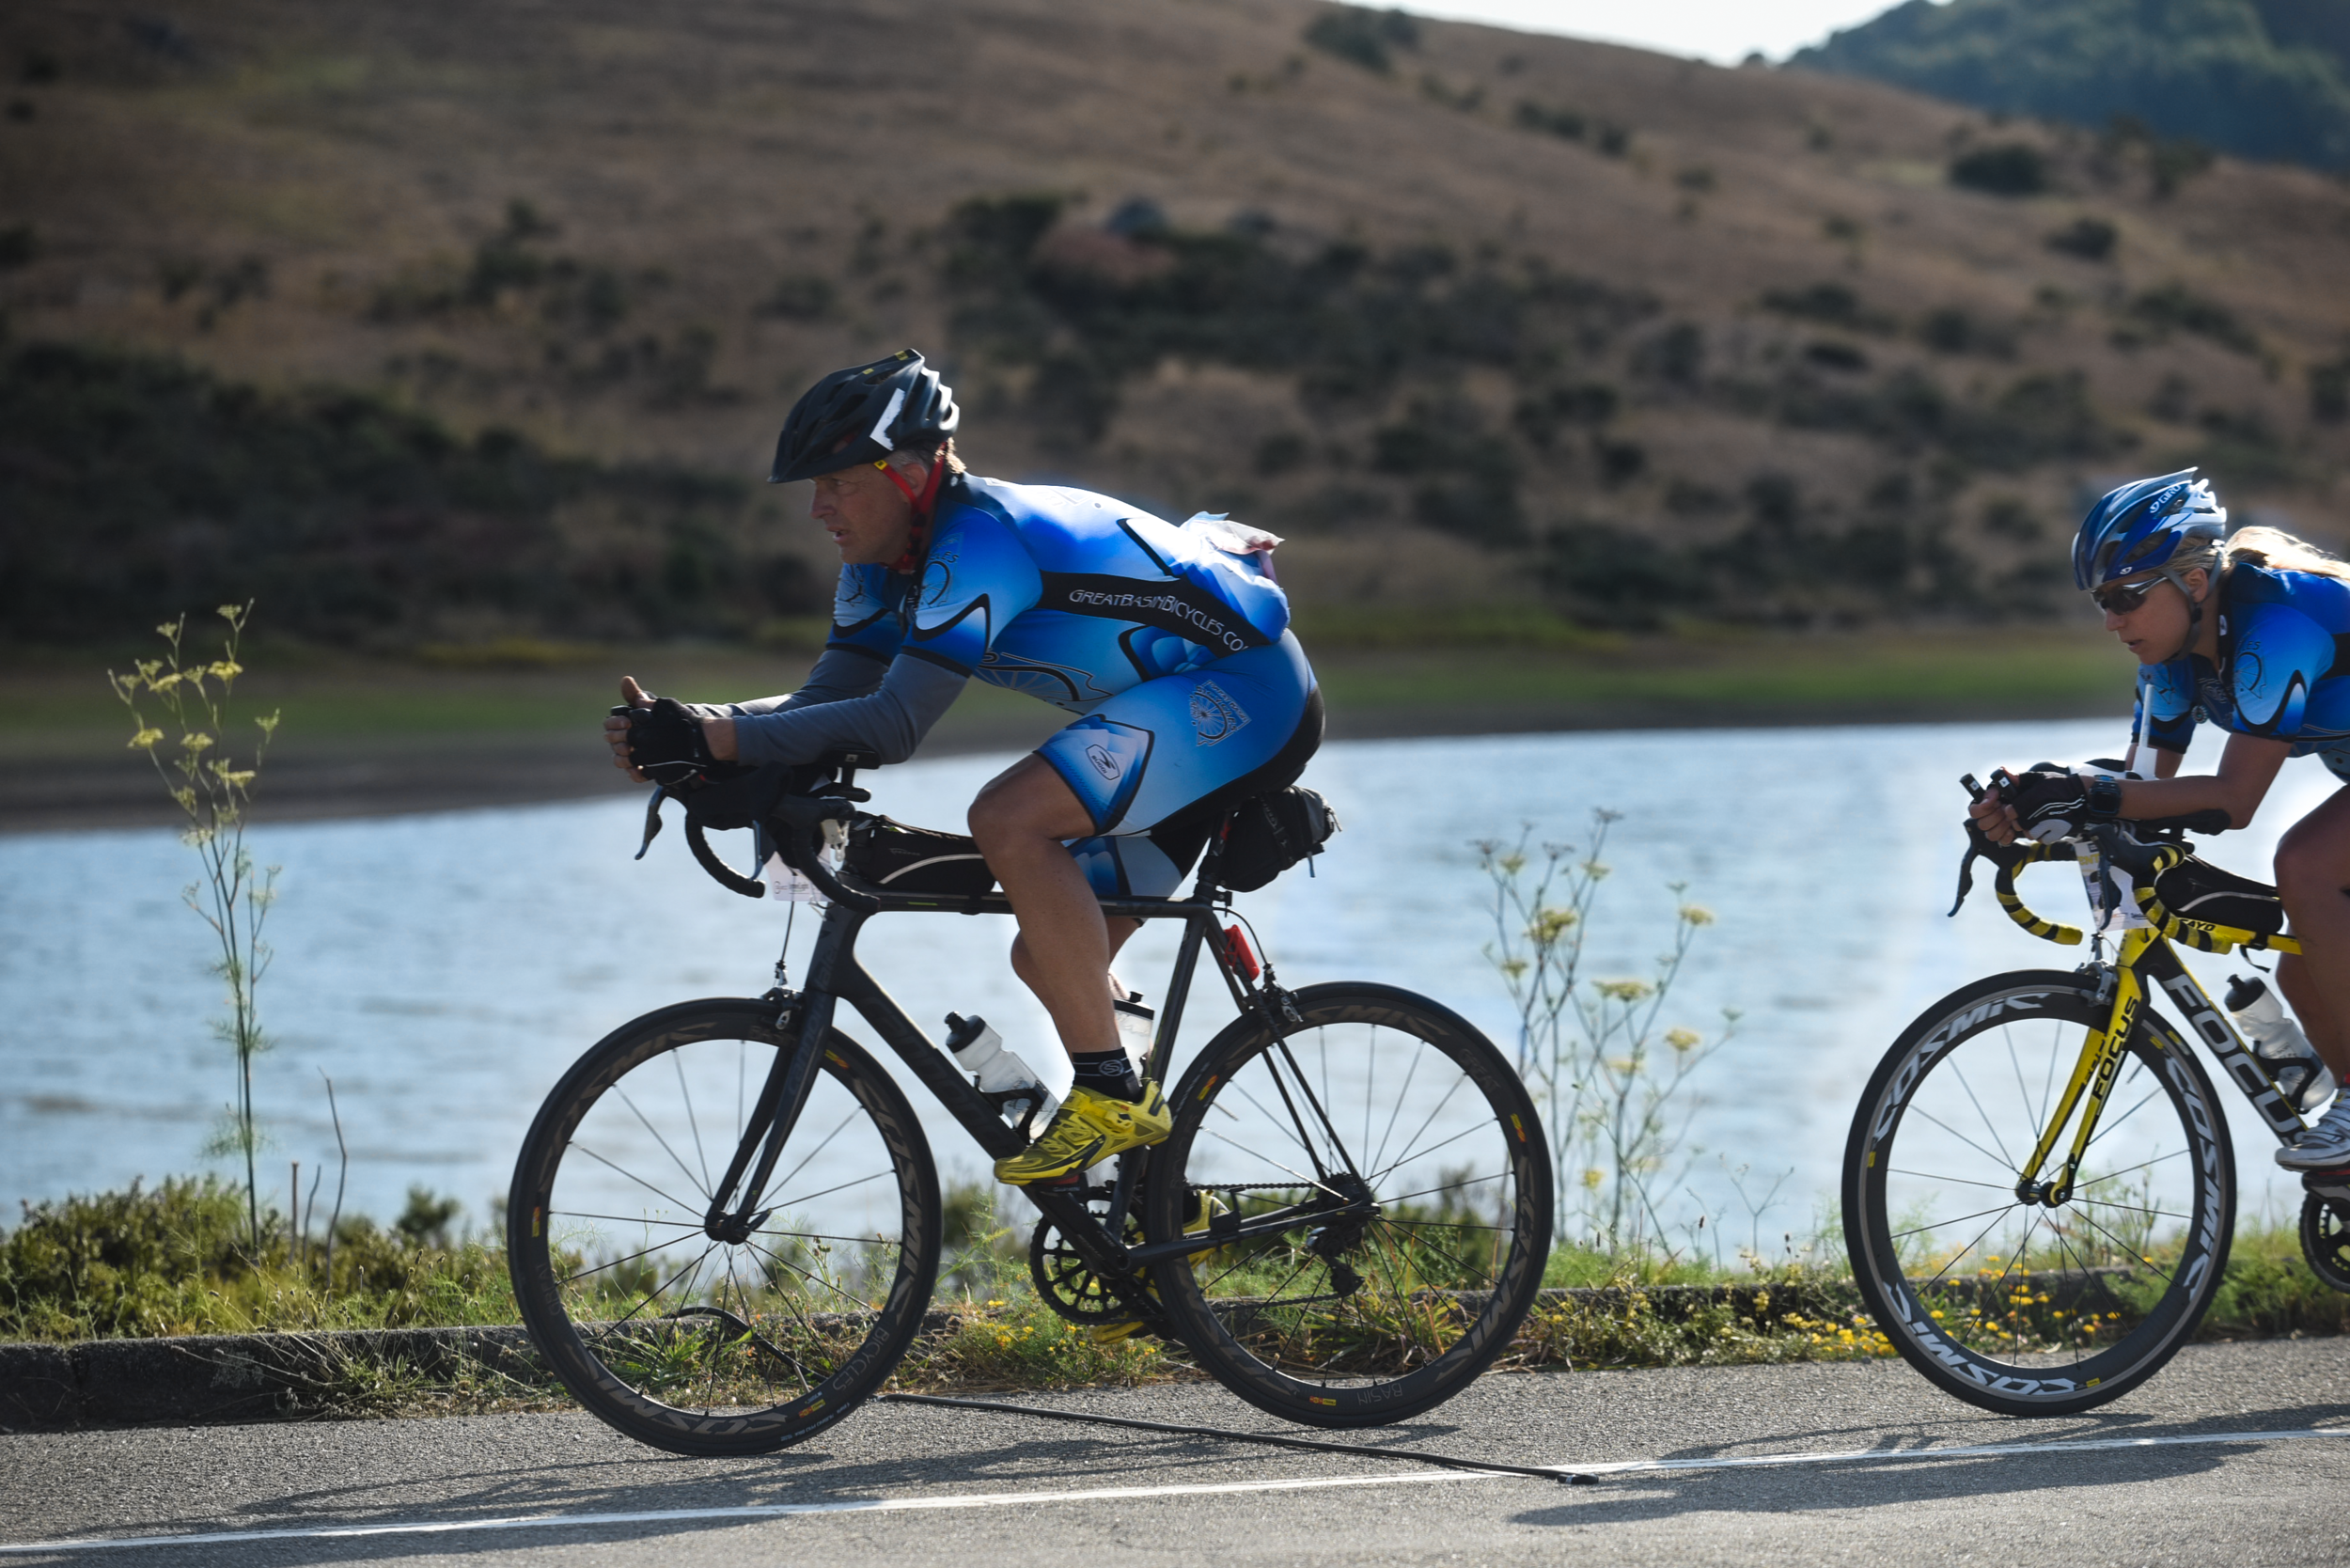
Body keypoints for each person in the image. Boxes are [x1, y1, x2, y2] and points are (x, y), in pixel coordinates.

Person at [603, 350, 1322, 1187]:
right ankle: (1157, 1200)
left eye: (837, 482)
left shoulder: (977, 542)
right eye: (812, 487)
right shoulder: (879, 569)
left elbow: (895, 722)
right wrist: (698, 727)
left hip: (1246, 694)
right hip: (1186, 714)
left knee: (1010, 818)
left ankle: (1111, 1097)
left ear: (911, 474)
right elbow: (831, 696)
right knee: (1048, 955)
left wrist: (728, 743)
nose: (817, 508)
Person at [1969, 468, 2350, 1169]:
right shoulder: (2170, 662)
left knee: (2305, 864)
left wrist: (2084, 794)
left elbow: (2234, 801)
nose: (2112, 622)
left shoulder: (2275, 627)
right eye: (2100, 603)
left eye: (2124, 598)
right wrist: (2033, 793)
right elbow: (2144, 787)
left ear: (2194, 584)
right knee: (2309, 974)